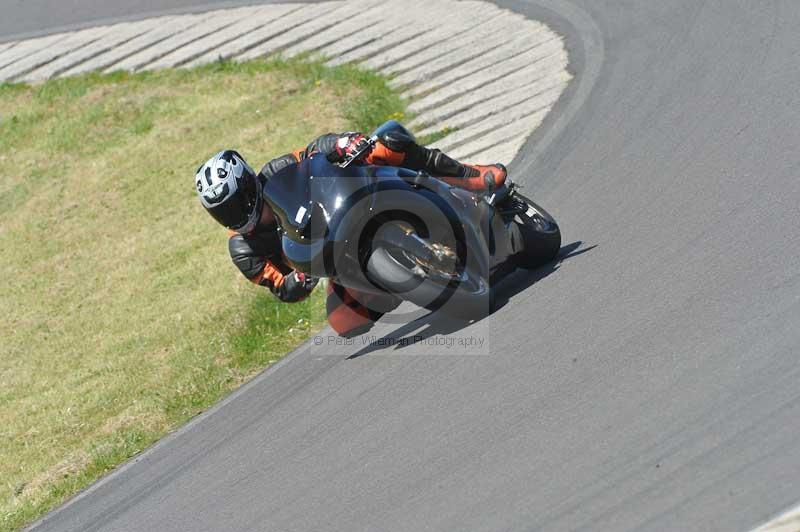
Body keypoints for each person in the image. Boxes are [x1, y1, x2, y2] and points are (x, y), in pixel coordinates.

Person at [194, 124, 507, 337]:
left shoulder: (276, 173)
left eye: (234, 204)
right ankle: (401, 281)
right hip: (337, 260)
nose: (233, 216)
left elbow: (313, 154)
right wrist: (301, 278)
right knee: (343, 323)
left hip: (351, 204)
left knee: (386, 145)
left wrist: (343, 144)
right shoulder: (244, 249)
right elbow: (281, 288)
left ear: (249, 185)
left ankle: (469, 177)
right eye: (222, 212)